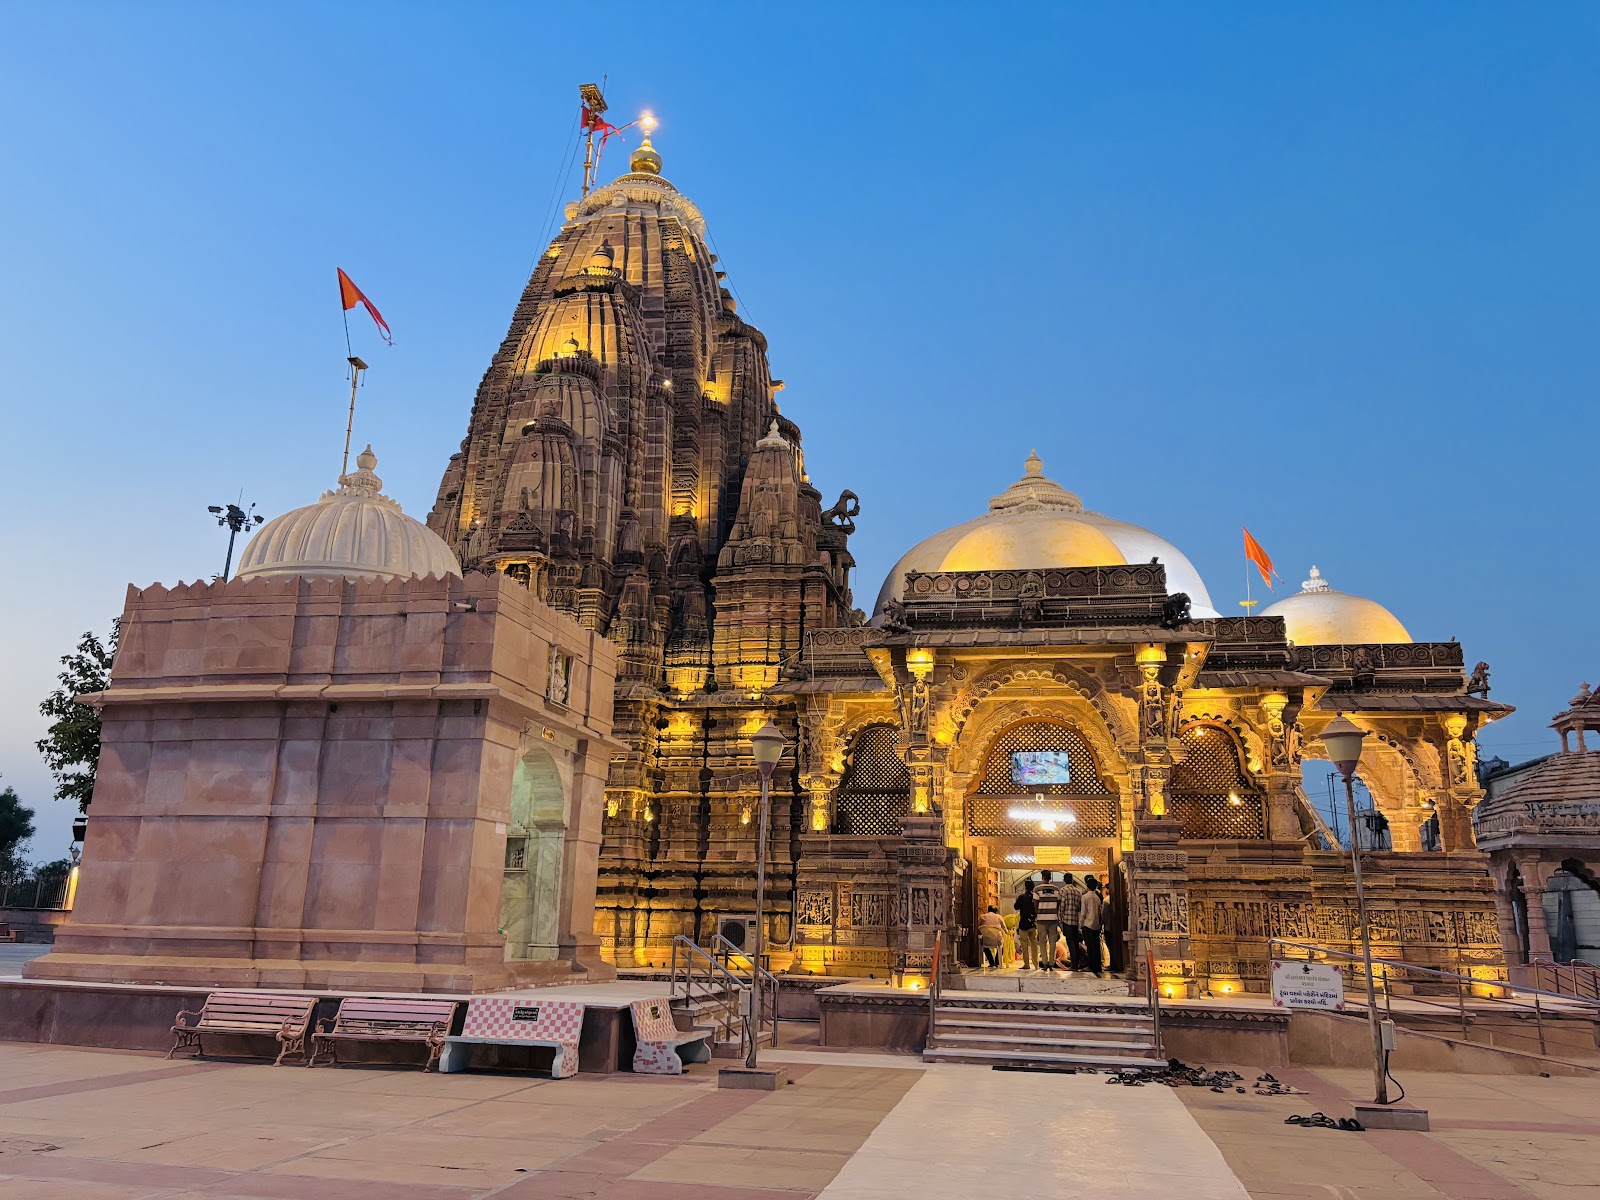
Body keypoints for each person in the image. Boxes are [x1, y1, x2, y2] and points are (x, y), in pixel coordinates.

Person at [1033, 871, 1062, 971]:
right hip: (1053, 919)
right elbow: (1058, 904)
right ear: (1050, 878)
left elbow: (1035, 904)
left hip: (1041, 919)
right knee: (1053, 942)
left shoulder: (1037, 889)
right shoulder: (1056, 889)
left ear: (1042, 877)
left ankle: (1045, 963)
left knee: (1042, 942)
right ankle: (1051, 964)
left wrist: (1038, 913)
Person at [1058, 872, 1085, 970]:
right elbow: (1079, 907)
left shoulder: (1063, 890)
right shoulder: (1078, 891)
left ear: (1064, 880)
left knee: (1070, 943)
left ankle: (1074, 965)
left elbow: (1062, 905)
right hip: (1075, 921)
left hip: (1067, 920)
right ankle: (1076, 964)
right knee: (1075, 942)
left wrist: (1060, 917)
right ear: (1072, 880)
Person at [1079, 875, 1105, 977]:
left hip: (1087, 923)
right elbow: (1099, 912)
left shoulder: (1085, 897)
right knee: (1096, 946)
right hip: (1096, 924)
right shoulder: (1097, 897)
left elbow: (1083, 912)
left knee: (1089, 946)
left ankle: (1090, 965)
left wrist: (1081, 923)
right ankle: (1097, 965)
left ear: (1087, 886)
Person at [1013, 878, 1039, 969]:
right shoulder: (1035, 897)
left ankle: (1027, 964)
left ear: (1025, 887)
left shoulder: (1022, 897)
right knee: (1034, 944)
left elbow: (1016, 907)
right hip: (1032, 923)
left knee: (1024, 945)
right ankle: (1036, 964)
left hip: (1023, 924)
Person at [977, 904, 1005, 969]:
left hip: (986, 940)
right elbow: (1004, 928)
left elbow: (977, 927)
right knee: (1001, 947)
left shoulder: (982, 916)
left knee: (984, 946)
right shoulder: (999, 917)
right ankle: (997, 962)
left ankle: (991, 962)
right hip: (997, 940)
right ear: (995, 911)